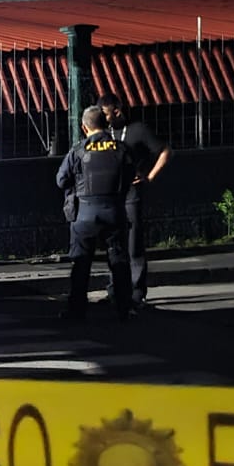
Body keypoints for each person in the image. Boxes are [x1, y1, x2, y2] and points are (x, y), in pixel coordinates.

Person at [56, 105, 134, 321]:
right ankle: (123, 309)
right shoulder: (121, 148)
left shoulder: (79, 150)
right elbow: (130, 175)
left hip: (84, 215)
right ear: (106, 124)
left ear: (84, 127)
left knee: (81, 264)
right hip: (114, 212)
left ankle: (77, 310)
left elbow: (61, 180)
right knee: (119, 261)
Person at [98, 93, 171, 309]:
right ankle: (115, 290)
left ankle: (137, 292)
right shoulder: (104, 133)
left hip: (131, 193)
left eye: (106, 114)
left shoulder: (138, 130)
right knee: (114, 244)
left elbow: (165, 151)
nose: (104, 119)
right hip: (111, 193)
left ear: (117, 111)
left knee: (133, 244)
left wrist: (150, 176)